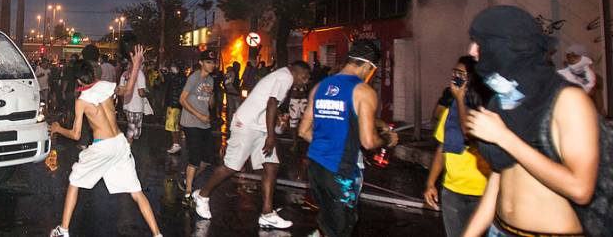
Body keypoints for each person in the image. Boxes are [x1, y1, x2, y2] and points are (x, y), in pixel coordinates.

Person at [462, 6, 600, 237]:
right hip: (499, 229)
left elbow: (581, 189)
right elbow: (500, 175)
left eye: (480, 42)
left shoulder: (569, 100)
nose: (472, 51)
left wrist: (504, 138)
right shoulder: (507, 97)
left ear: (507, 46)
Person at [49, 46, 162, 237]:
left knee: (74, 181)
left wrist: (58, 129)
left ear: (77, 80)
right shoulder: (107, 86)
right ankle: (158, 234)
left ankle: (64, 230)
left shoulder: (82, 100)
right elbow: (128, 89)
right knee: (136, 191)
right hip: (120, 143)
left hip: (102, 146)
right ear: (93, 73)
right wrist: (136, 65)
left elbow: (76, 135)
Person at [193, 61, 311, 229]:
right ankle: (202, 196)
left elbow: (270, 104)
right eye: (304, 77)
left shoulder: (282, 76)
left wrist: (277, 119)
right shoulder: (285, 77)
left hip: (260, 127)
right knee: (231, 167)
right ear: (296, 71)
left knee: (271, 166)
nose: (305, 81)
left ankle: (267, 213)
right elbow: (271, 103)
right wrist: (271, 136)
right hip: (246, 124)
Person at [298, 40, 399, 237]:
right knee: (342, 229)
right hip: (340, 172)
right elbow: (368, 141)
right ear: (369, 66)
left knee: (327, 222)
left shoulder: (320, 86)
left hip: (315, 168)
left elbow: (303, 130)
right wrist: (387, 140)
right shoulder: (364, 91)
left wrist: (327, 144)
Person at [424, 56, 491, 237]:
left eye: (461, 74)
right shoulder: (450, 111)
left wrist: (461, 99)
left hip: (482, 192)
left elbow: (468, 133)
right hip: (452, 191)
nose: (455, 77)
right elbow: (442, 148)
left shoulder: (486, 111)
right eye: (454, 73)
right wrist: (431, 183)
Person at [179, 50, 217, 203]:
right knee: (194, 158)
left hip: (204, 124)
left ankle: (187, 180)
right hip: (191, 123)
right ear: (201, 63)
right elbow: (182, 100)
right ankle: (188, 192)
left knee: (206, 159)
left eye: (213, 62)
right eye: (208, 62)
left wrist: (212, 93)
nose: (211, 65)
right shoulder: (194, 78)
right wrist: (198, 115)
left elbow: (211, 104)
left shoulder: (210, 80)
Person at [118, 58, 148, 144]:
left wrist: (123, 103)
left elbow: (121, 90)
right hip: (136, 106)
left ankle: (128, 145)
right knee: (133, 130)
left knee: (131, 127)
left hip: (127, 105)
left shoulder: (124, 74)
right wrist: (148, 94)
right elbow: (141, 93)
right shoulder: (140, 74)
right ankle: (128, 147)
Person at [164, 62, 187, 154]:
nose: (172, 68)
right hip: (171, 104)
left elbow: (179, 91)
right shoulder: (173, 77)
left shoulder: (181, 78)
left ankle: (176, 144)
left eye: (174, 67)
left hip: (176, 105)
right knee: (171, 125)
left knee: (173, 125)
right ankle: (175, 144)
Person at [223, 62, 242, 129]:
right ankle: (236, 125)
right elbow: (229, 83)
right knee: (237, 110)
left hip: (230, 94)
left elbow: (226, 83)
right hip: (234, 94)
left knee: (230, 109)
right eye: (238, 66)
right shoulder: (233, 73)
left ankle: (230, 124)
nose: (239, 68)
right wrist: (236, 92)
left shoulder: (231, 73)